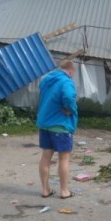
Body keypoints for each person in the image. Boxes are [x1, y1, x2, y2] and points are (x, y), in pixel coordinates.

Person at [36, 59, 78, 199]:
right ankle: (64, 191)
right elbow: (68, 97)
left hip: (45, 123)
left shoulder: (46, 79)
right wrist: (70, 109)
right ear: (70, 71)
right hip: (60, 125)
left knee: (46, 156)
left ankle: (45, 189)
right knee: (64, 158)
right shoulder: (66, 81)